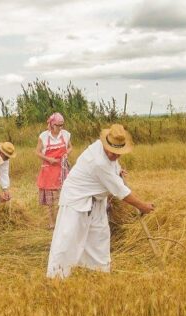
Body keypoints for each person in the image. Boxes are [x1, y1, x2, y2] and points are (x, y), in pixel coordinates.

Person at [46, 124, 155, 279]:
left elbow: (113, 166)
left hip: (96, 202)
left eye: (119, 153)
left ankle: (99, 273)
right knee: (68, 241)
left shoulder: (107, 153)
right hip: (76, 201)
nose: (115, 156)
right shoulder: (98, 161)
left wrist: (118, 172)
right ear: (105, 144)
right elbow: (121, 192)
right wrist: (142, 206)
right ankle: (56, 277)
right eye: (113, 152)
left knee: (99, 237)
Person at [36, 112, 73, 229]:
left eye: (62, 125)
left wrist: (67, 153)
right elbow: (37, 152)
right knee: (51, 200)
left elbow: (70, 147)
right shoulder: (43, 136)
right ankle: (52, 223)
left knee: (63, 196)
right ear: (52, 124)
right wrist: (48, 159)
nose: (60, 127)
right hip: (49, 170)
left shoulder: (66, 135)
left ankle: (63, 221)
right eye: (58, 125)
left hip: (62, 170)